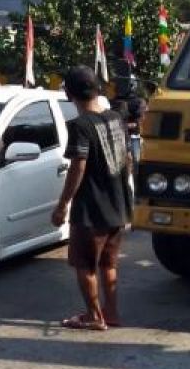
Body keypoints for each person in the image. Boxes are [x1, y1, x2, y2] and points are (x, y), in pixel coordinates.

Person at [51, 65, 133, 331]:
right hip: (119, 205)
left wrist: (63, 205)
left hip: (91, 210)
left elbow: (78, 167)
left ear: (68, 93)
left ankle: (93, 317)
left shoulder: (80, 126)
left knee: (85, 265)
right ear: (98, 89)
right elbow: (128, 159)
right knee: (109, 263)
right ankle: (111, 313)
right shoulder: (116, 118)